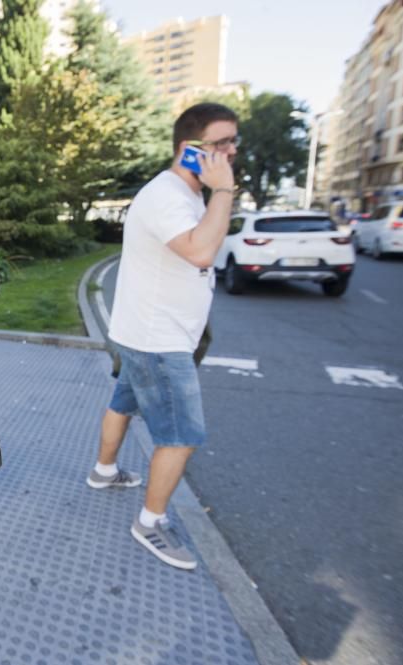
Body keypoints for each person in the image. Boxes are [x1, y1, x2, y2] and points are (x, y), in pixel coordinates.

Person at [87, 102, 238, 570]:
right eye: (219, 144)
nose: (230, 153)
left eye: (234, 143)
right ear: (188, 149)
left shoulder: (190, 193)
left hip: (146, 331)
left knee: (123, 402)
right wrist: (226, 192)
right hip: (158, 340)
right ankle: (150, 523)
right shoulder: (168, 195)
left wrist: (216, 193)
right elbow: (199, 251)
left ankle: (104, 471)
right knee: (180, 435)